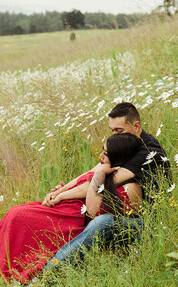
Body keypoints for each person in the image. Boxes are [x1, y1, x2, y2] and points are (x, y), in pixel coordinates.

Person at [0, 133, 143, 283]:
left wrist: (100, 174)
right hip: (62, 209)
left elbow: (93, 211)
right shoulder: (105, 167)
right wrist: (59, 193)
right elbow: (80, 182)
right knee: (16, 213)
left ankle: (13, 274)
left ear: (118, 158)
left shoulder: (129, 187)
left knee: (18, 216)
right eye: (102, 150)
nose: (101, 156)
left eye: (106, 154)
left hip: (73, 221)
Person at [41, 102, 170, 274]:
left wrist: (61, 196)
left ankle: (47, 273)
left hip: (148, 223)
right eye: (112, 131)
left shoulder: (148, 152)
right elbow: (92, 172)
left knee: (104, 223)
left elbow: (104, 180)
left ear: (136, 126)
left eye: (119, 130)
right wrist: (59, 191)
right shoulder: (126, 143)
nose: (115, 135)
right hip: (118, 208)